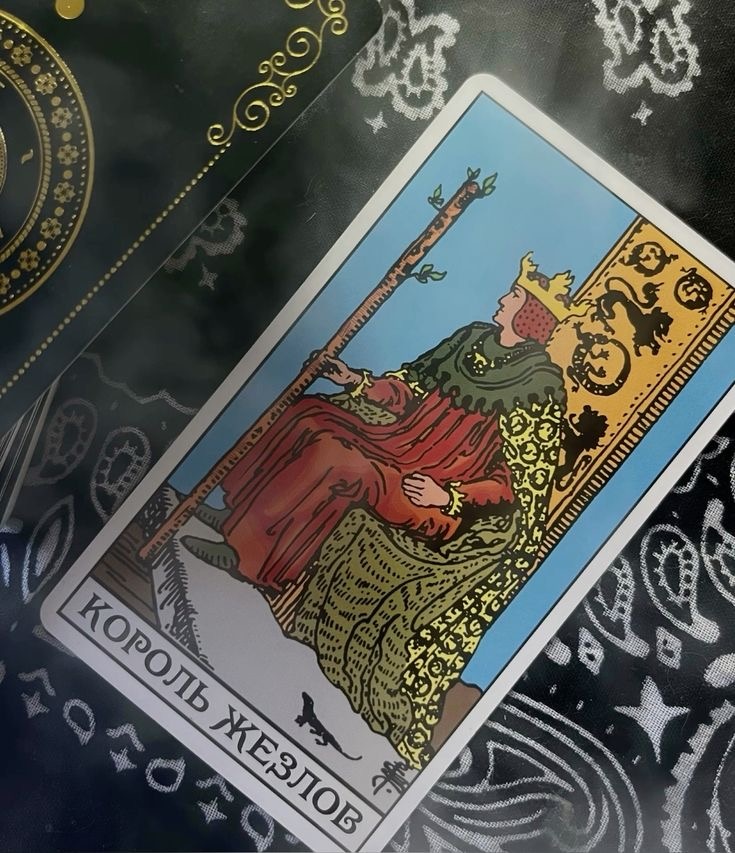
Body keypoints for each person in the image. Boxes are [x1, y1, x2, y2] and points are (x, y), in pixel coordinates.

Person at [182, 253, 569, 594]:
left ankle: (248, 561)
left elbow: (509, 484)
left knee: (337, 459)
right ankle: (237, 515)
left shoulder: (539, 386)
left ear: (530, 314)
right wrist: (354, 380)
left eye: (514, 297)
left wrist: (447, 496)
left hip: (428, 488)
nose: (503, 300)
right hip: (394, 443)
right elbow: (408, 394)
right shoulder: (472, 338)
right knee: (307, 414)